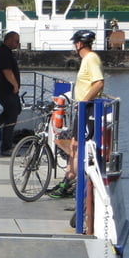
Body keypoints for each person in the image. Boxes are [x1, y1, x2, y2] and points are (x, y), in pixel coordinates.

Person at [48, 29, 104, 198]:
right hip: (82, 108)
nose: (74, 46)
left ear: (80, 44)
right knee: (73, 144)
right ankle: (68, 180)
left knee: (78, 146)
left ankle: (73, 184)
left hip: (88, 109)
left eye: (75, 43)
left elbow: (99, 83)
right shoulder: (86, 60)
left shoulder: (91, 59)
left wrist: (84, 101)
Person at [0, 31, 22, 155]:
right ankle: (6, 147)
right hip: (6, 91)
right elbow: (7, 71)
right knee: (12, 116)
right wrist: (15, 84)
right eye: (16, 41)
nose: (18, 43)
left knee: (15, 110)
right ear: (9, 40)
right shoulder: (4, 52)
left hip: (6, 91)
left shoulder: (5, 52)